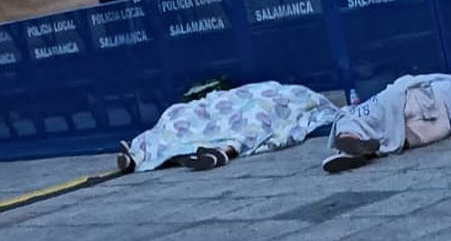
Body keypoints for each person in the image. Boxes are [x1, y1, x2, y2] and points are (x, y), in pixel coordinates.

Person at [116, 81, 340, 173]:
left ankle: (222, 151)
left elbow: (301, 107)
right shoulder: (239, 93)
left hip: (260, 104)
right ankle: (138, 152)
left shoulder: (295, 95)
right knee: (181, 114)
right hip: (229, 104)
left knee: (256, 117)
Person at [321, 74, 451, 173]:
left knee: (398, 134)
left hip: (424, 114)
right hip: (430, 104)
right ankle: (355, 149)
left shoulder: (349, 118)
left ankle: (356, 148)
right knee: (397, 126)